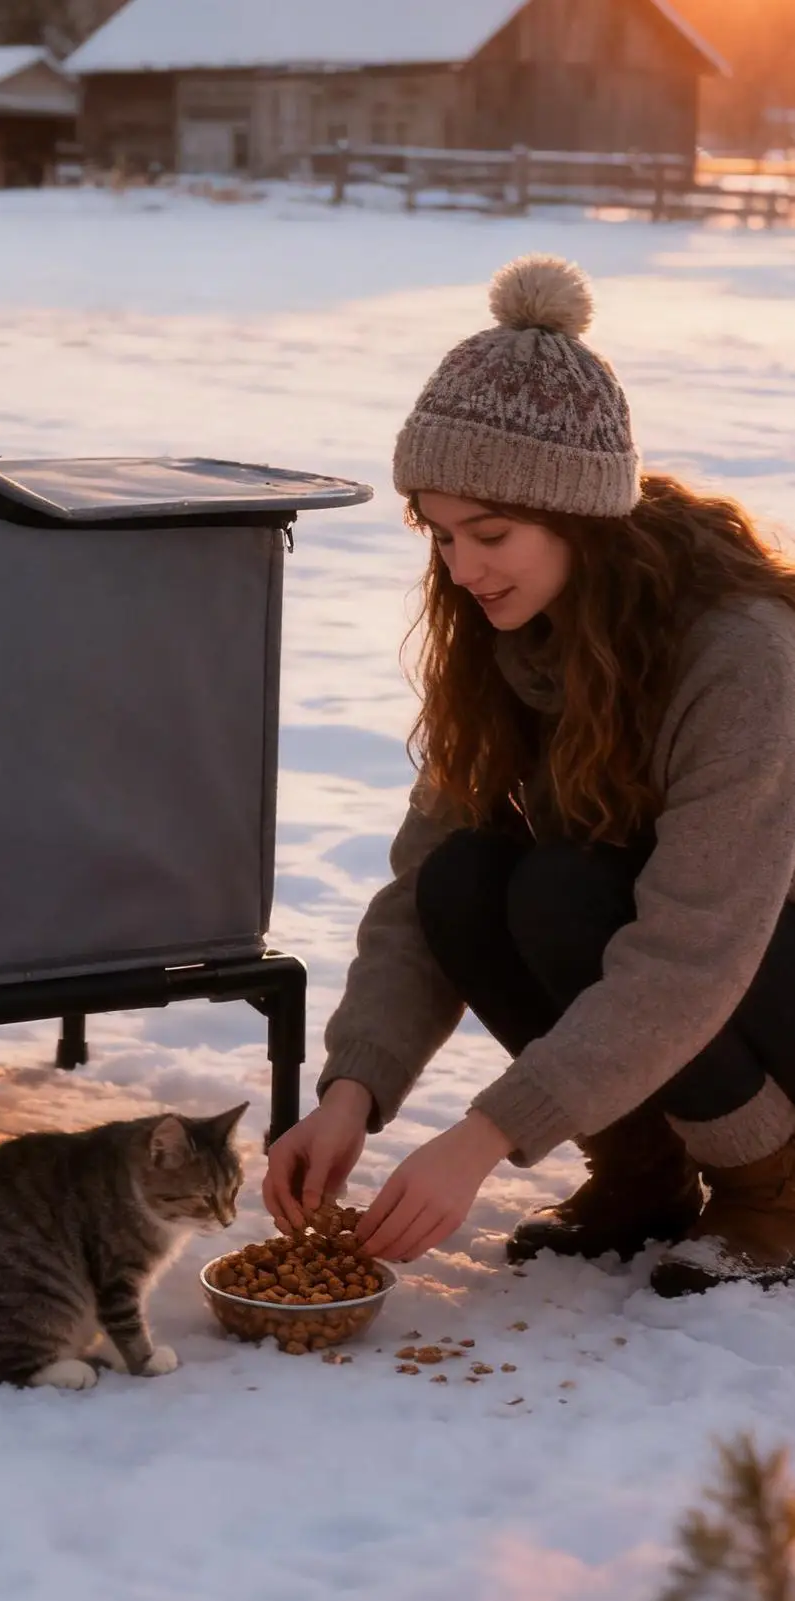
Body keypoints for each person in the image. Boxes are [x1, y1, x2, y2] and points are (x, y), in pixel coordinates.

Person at [261, 254, 795, 1298]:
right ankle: (639, 1171)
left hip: (759, 967)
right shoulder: (510, 639)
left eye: (490, 534)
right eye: (441, 533)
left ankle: (768, 1188)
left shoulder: (738, 652)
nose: (460, 570)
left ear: (576, 512)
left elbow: (690, 950)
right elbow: (420, 895)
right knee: (467, 875)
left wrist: (487, 1132)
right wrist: (351, 1090)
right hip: (686, 988)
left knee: (568, 888)